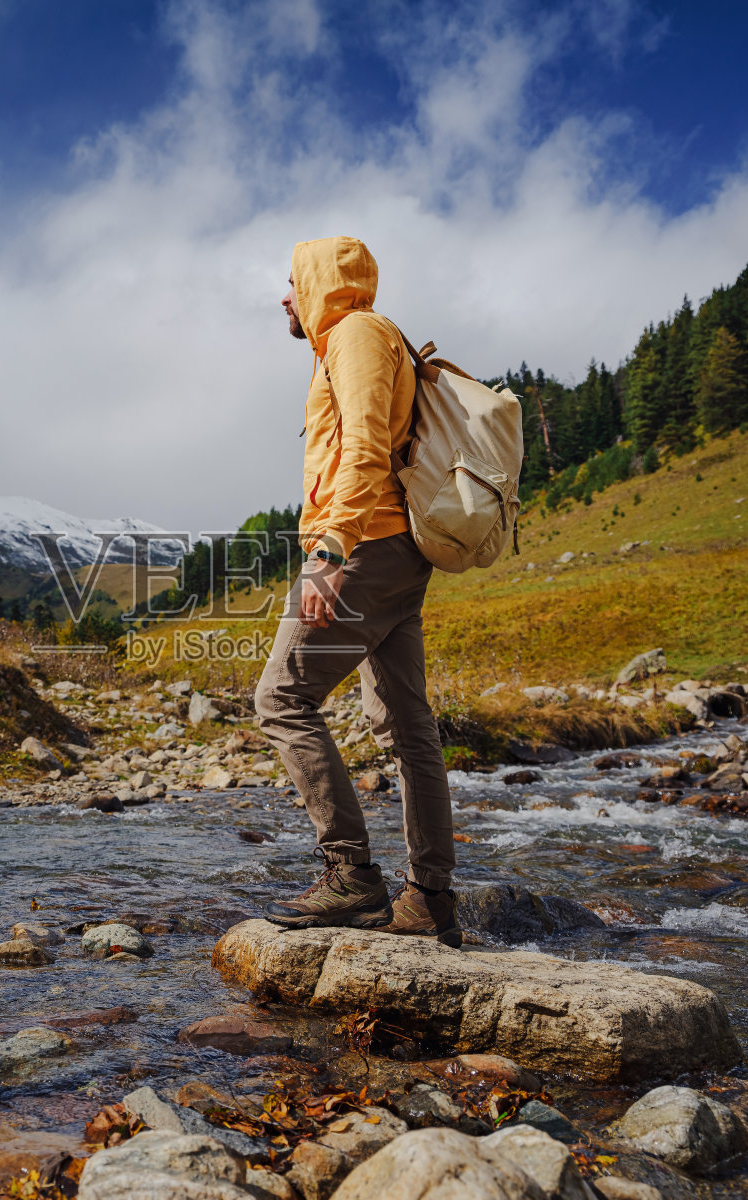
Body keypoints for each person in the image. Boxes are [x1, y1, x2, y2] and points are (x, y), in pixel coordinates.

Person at [253, 235, 462, 947]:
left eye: (291, 280)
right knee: (406, 725)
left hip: (368, 545)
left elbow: (368, 443)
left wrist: (331, 548)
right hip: (392, 548)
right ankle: (430, 899)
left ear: (320, 282)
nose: (283, 294)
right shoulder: (357, 338)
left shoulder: (356, 333)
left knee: (280, 697)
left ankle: (351, 876)